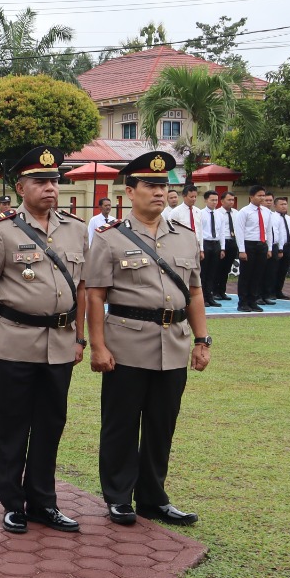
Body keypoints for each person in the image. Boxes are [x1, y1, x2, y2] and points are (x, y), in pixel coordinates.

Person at [86, 150, 210, 528]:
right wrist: (98, 346)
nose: (159, 192)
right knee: (121, 424)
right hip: (126, 344)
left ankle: (153, 497)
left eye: (163, 186)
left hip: (173, 342)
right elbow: (95, 295)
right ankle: (119, 497)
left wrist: (203, 339)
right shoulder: (109, 239)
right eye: (151, 185)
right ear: (130, 190)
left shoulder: (185, 237)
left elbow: (196, 292)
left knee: (161, 425)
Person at [0, 146, 87, 535]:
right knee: (13, 425)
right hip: (15, 341)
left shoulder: (76, 229)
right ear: (21, 187)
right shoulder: (1, 228)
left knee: (51, 423)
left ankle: (43, 501)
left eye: (54, 180)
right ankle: (12, 503)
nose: (50, 188)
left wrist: (81, 339)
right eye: (40, 181)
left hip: (61, 340)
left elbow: (82, 289)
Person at [236, 186, 273, 312]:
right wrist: (242, 250)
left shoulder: (267, 212)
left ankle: (253, 301)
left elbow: (268, 230)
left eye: (263, 195)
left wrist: (269, 247)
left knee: (258, 275)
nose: (262, 198)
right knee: (246, 275)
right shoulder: (244, 212)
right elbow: (239, 231)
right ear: (251, 197)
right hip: (248, 244)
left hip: (261, 244)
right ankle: (243, 302)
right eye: (259, 195)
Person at [198, 191, 225, 306]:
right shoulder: (200, 213)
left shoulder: (220, 214)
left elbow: (222, 232)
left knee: (212, 273)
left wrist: (222, 248)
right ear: (205, 200)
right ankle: (202, 298)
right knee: (203, 273)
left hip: (215, 244)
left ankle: (210, 297)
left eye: (216, 200)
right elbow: (199, 231)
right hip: (205, 243)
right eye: (212, 200)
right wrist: (201, 248)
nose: (214, 202)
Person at [217, 192, 241, 300]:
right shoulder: (217, 213)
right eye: (229, 200)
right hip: (222, 241)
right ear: (222, 201)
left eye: (233, 200)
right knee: (218, 268)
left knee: (226, 268)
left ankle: (222, 291)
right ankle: (215, 291)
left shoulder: (236, 213)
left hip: (233, 241)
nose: (231, 202)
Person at [270, 196, 290, 301]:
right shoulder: (273, 217)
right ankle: (271, 291)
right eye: (281, 204)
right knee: (274, 270)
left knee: (283, 270)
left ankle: (279, 291)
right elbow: (277, 234)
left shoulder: (289, 218)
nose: (284, 206)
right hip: (279, 246)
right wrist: (280, 249)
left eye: (285, 204)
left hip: (288, 246)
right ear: (275, 206)